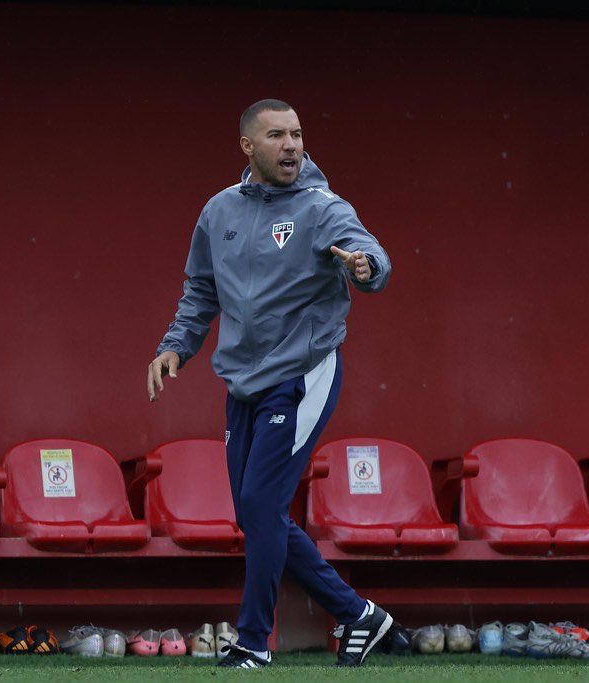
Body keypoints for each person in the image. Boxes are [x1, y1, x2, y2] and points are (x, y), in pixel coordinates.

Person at [146, 99, 393, 669]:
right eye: (277, 135)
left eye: (298, 134)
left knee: (260, 505)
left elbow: (370, 251)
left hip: (302, 373)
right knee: (258, 514)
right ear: (247, 147)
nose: (291, 146)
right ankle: (358, 614)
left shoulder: (322, 206)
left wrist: (366, 267)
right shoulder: (218, 211)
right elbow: (200, 292)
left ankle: (252, 642)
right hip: (242, 382)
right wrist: (175, 346)